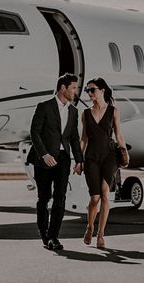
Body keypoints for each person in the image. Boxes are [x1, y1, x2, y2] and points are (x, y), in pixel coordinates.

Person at [27, 73, 83, 250]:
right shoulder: (44, 107)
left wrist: (79, 160)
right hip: (43, 159)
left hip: (63, 159)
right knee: (44, 198)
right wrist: (44, 154)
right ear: (63, 88)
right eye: (73, 87)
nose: (75, 91)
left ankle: (53, 236)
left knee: (60, 198)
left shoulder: (73, 111)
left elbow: (74, 138)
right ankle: (44, 234)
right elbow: (34, 132)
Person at [80, 77, 130, 248]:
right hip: (92, 157)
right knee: (94, 198)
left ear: (102, 90)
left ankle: (101, 234)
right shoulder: (85, 114)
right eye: (87, 90)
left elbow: (119, 135)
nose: (89, 93)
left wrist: (124, 152)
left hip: (109, 156)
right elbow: (83, 140)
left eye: (92, 90)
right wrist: (79, 160)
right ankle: (89, 227)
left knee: (105, 194)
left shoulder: (113, 111)